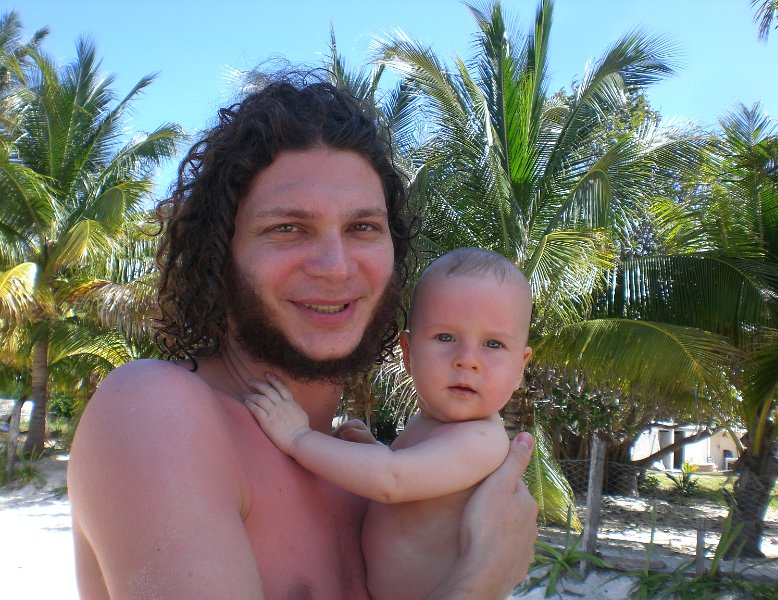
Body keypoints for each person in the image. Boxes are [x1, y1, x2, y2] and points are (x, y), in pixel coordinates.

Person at [68, 72, 538, 600]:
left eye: (362, 227)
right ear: (220, 252)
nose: (336, 267)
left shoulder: (355, 476)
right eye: (287, 228)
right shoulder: (156, 411)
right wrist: (484, 577)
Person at [245, 247, 534, 600]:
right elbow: (409, 484)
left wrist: (297, 437)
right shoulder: (431, 425)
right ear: (409, 354)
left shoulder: (482, 440)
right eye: (446, 337)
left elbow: (392, 481)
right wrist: (374, 449)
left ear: (519, 368)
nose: (467, 360)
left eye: (493, 344)